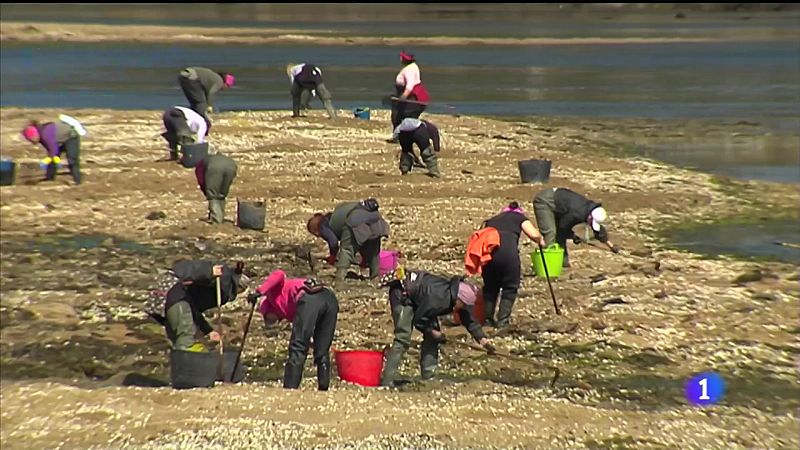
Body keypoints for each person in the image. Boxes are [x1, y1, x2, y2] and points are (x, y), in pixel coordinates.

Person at [378, 267, 493, 387]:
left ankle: (429, 375)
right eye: (464, 305)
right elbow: (419, 319)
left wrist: (482, 339)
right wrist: (431, 331)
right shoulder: (440, 299)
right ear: (458, 299)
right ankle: (387, 380)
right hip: (402, 295)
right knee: (402, 338)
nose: (464, 307)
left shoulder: (454, 294)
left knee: (433, 338)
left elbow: (467, 319)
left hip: (421, 300)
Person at [248, 271, 338, 391]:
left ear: (268, 310)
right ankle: (323, 389)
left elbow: (279, 274)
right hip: (329, 298)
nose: (270, 322)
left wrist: (259, 292)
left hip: (310, 297)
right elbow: (306, 325)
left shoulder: (272, 295)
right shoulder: (288, 310)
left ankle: (290, 389)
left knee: (297, 347)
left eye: (267, 318)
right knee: (321, 348)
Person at [465, 202, 545, 328]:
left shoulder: (492, 220)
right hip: (508, 256)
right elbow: (534, 234)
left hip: (489, 255)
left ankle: (488, 320)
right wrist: (540, 240)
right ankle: (503, 321)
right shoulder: (519, 217)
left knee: (491, 288)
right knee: (510, 287)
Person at [146, 260, 249, 352]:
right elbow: (188, 269)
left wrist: (208, 330)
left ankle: (184, 367)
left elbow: (193, 309)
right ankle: (193, 365)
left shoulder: (218, 286)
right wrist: (209, 271)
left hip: (167, 298)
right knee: (186, 340)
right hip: (176, 296)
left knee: (177, 340)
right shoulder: (224, 278)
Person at [306, 198, 389, 285]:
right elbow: (363, 243)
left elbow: (333, 242)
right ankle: (375, 277)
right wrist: (365, 258)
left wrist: (333, 256)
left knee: (347, 250)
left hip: (354, 220)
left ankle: (339, 278)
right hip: (376, 219)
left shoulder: (323, 225)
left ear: (315, 231)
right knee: (374, 251)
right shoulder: (335, 214)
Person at [532, 187, 619, 268]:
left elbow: (599, 232)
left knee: (559, 236)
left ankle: (563, 265)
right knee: (550, 233)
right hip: (545, 201)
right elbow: (562, 227)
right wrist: (573, 236)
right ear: (590, 217)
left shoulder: (592, 210)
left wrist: (611, 246)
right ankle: (548, 267)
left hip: (560, 206)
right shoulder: (576, 213)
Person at [21, 114, 87, 185]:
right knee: (52, 159)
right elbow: (51, 151)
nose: (32, 142)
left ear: (35, 135)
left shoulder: (45, 134)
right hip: (58, 140)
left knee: (72, 160)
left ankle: (77, 181)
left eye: (32, 139)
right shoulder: (40, 136)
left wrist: (46, 161)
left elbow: (53, 150)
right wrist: (53, 159)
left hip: (71, 137)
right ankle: (49, 178)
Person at [388, 51, 430, 141]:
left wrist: (402, 98)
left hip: (412, 97)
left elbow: (409, 86)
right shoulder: (413, 66)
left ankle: (399, 137)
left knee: (400, 116)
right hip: (413, 95)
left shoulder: (409, 70)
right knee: (404, 117)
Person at [194, 152, 237, 224]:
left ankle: (216, 220)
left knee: (213, 195)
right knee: (221, 194)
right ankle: (220, 215)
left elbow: (200, 178)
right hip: (231, 166)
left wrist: (206, 191)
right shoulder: (225, 159)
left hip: (214, 168)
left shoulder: (201, 163)